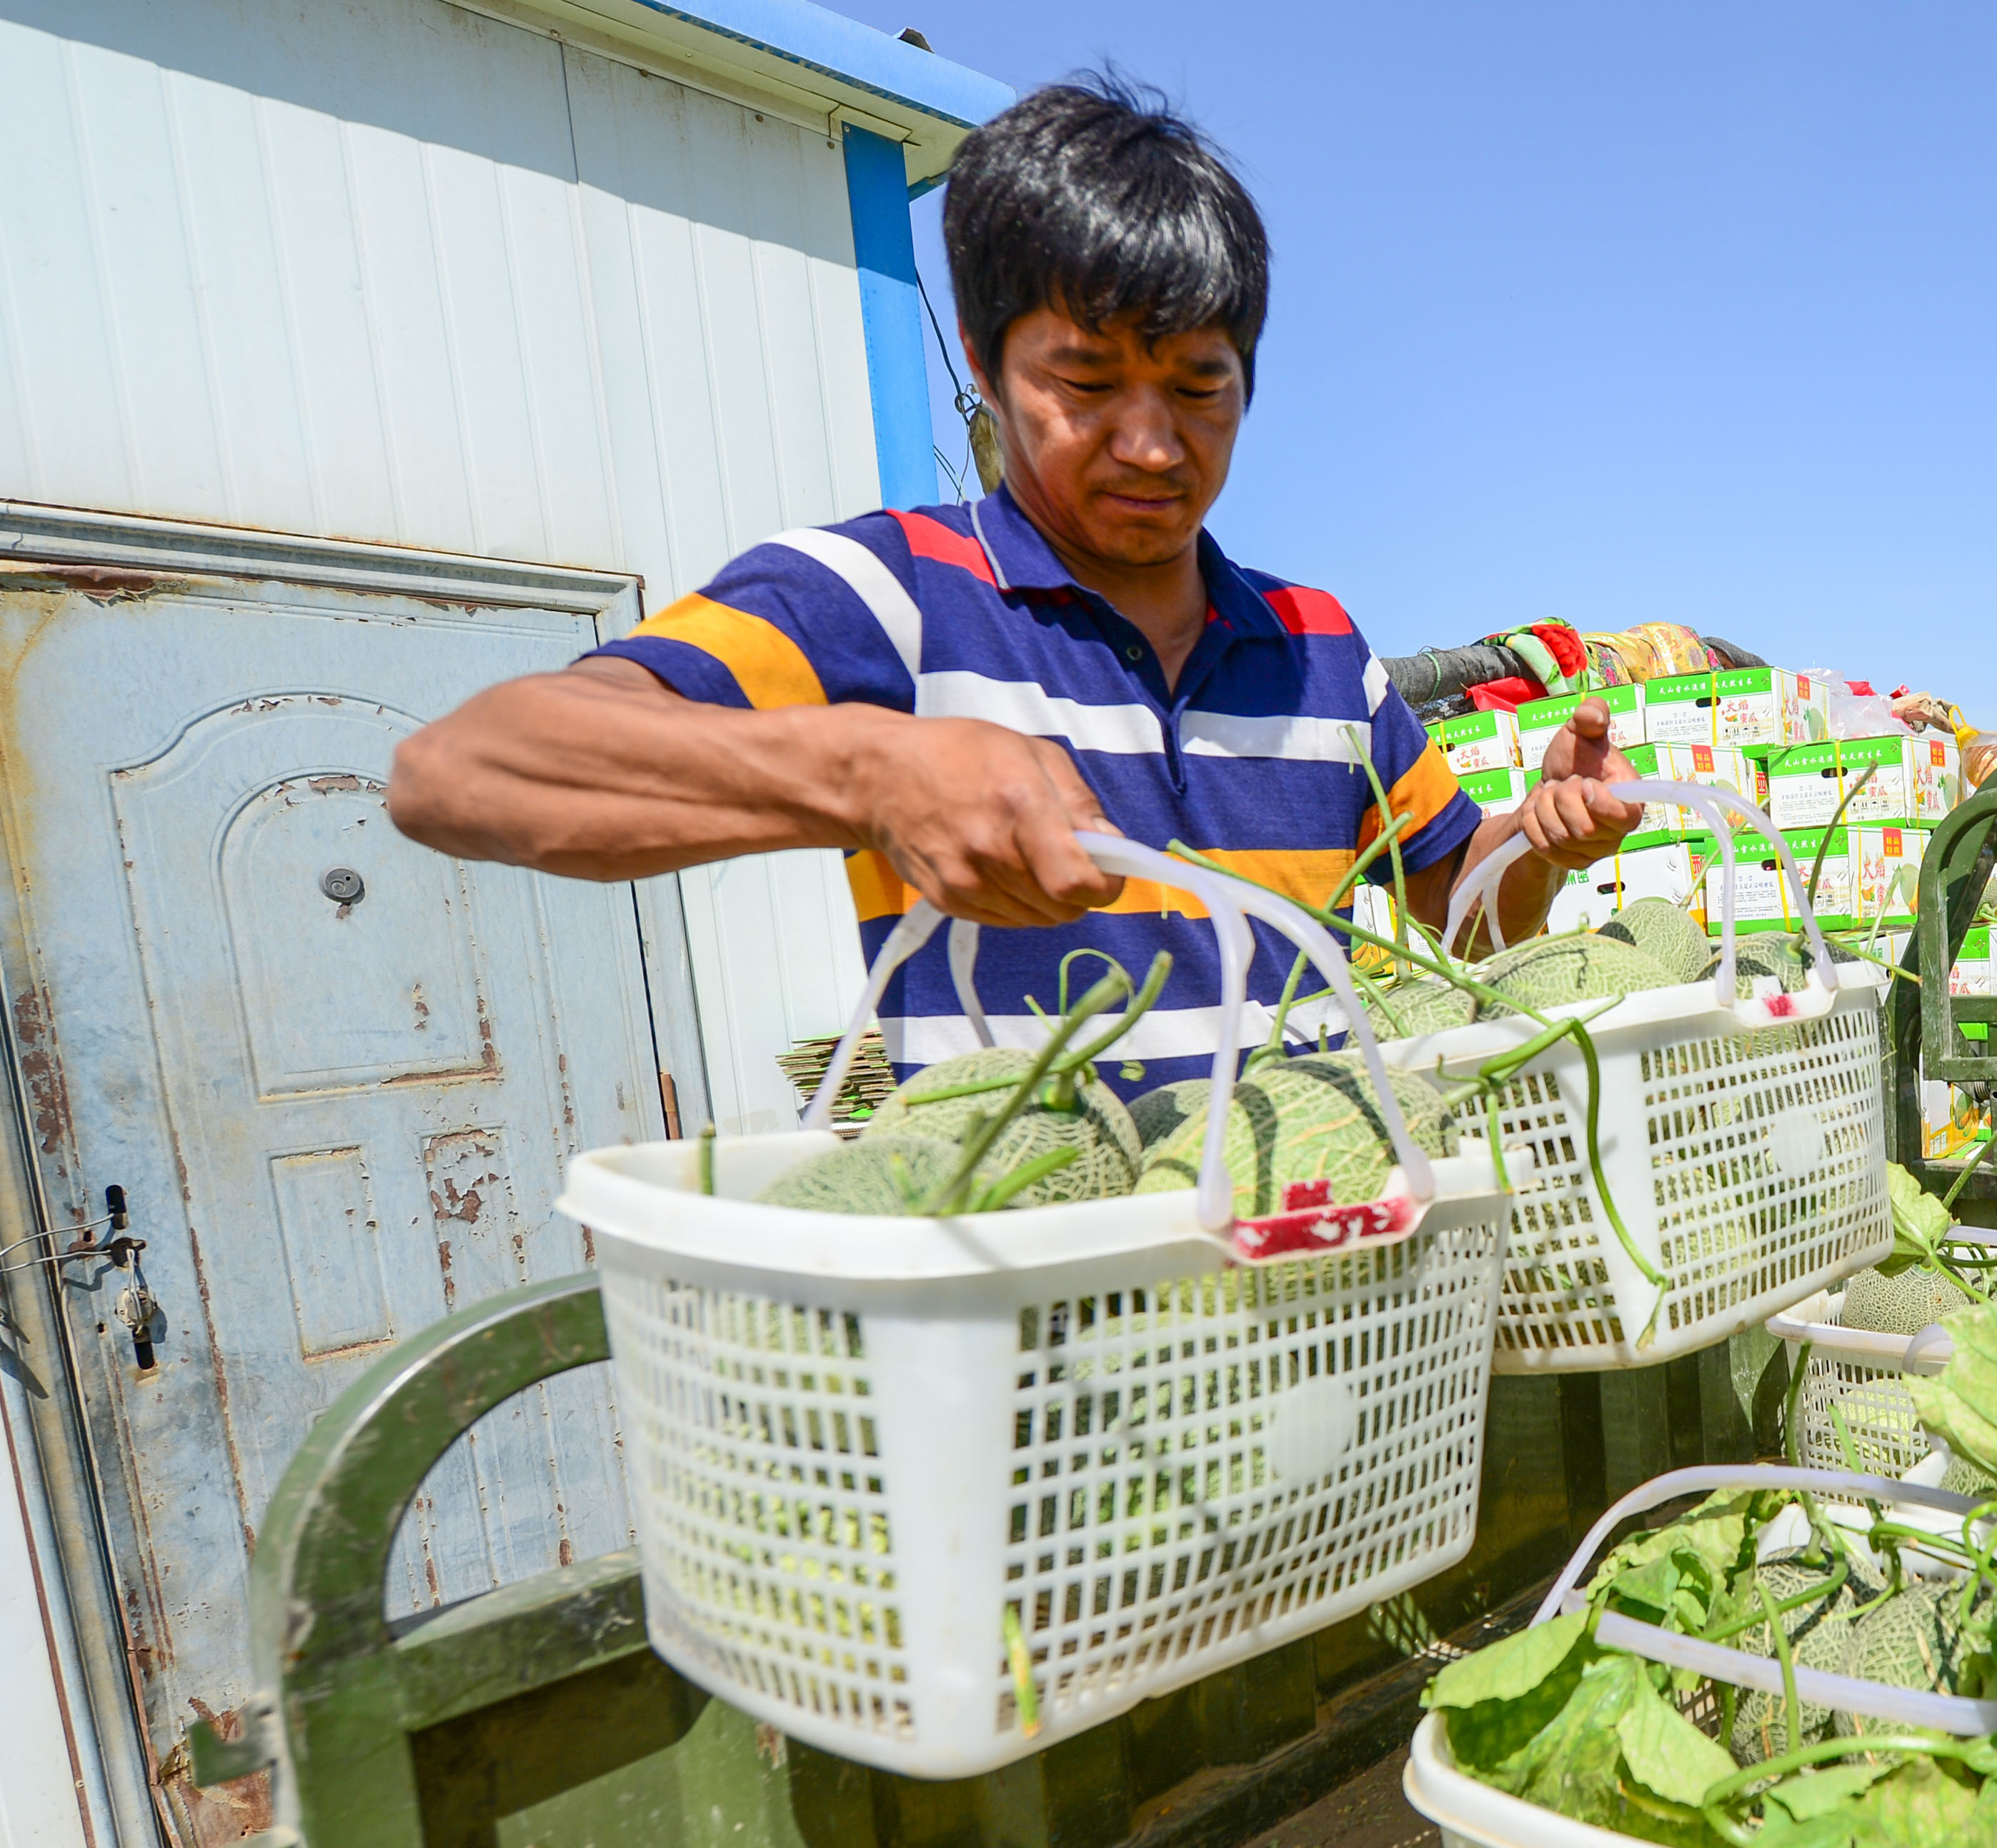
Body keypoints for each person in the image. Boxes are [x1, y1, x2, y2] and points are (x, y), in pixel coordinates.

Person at [389, 74, 1640, 1096]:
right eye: (1086, 385)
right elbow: (462, 774)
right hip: (1045, 1325)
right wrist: (863, 773)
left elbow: (1468, 923)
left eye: (1200, 386)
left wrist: (1539, 844)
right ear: (988, 370)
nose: (1152, 445)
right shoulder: (888, 592)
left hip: (1315, 1297)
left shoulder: (1320, 647)